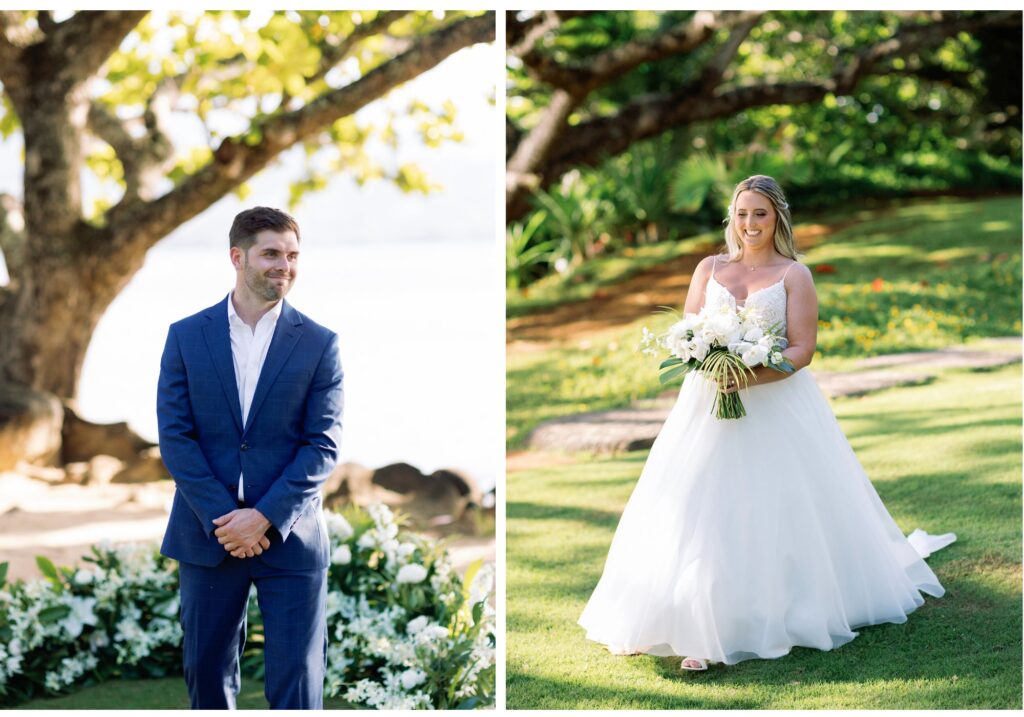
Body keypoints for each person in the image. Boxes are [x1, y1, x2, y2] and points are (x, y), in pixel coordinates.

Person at [577, 175, 955, 671]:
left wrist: (749, 376)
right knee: (691, 504)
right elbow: (687, 332)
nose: (750, 224)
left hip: (774, 403)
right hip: (705, 406)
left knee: (765, 508)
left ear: (777, 217)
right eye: (742, 214)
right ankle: (665, 617)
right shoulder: (709, 268)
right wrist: (708, 358)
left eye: (760, 213)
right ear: (731, 219)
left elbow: (802, 348)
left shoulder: (794, 275)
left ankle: (733, 627)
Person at [157, 206, 344, 708]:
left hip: (291, 538)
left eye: (292, 255)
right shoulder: (185, 336)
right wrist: (228, 520)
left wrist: (263, 518)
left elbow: (322, 445)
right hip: (208, 535)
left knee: (297, 686)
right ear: (237, 257)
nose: (284, 265)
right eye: (271, 254)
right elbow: (175, 437)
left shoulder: (321, 344)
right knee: (208, 677)